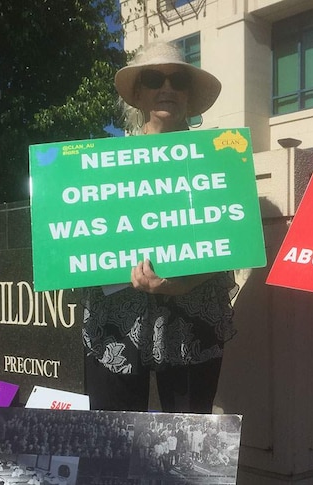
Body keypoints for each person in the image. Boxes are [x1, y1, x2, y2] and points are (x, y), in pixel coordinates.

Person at [83, 42, 236, 414]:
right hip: (115, 322)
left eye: (178, 80)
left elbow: (231, 236)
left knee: (187, 447)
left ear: (189, 94)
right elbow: (79, 235)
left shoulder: (219, 158)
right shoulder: (102, 165)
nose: (166, 88)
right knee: (113, 443)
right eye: (154, 79)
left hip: (192, 319)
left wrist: (176, 284)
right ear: (137, 95)